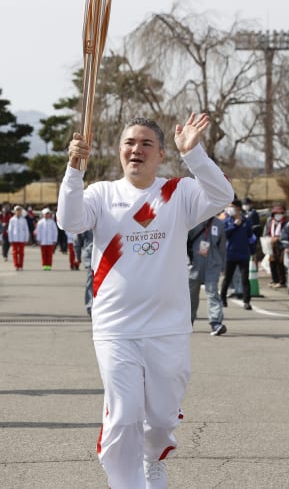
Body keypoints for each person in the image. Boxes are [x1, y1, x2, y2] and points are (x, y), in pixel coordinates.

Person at [58, 114, 234, 489]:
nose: (135, 150)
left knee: (161, 418)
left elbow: (222, 195)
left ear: (161, 153)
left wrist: (195, 154)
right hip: (116, 327)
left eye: (145, 144)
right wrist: (74, 169)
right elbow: (69, 221)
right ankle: (126, 483)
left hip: (167, 328)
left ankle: (153, 459)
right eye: (129, 143)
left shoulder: (178, 193)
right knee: (122, 417)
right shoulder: (101, 194)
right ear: (120, 151)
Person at [188, 216, 227, 335]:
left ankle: (216, 323)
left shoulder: (218, 224)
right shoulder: (192, 221)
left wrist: (223, 266)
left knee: (212, 293)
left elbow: (222, 247)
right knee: (190, 296)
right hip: (193, 265)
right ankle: (188, 321)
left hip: (212, 265)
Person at [220, 199, 254, 311]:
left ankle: (247, 301)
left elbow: (251, 237)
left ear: (238, 208)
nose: (229, 208)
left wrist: (253, 252)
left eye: (232, 206)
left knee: (245, 279)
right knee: (227, 278)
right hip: (230, 254)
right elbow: (224, 235)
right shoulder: (226, 220)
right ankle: (222, 300)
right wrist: (234, 225)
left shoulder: (246, 221)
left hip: (244, 254)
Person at [266, 205, 287, 288]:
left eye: (280, 213)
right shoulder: (270, 222)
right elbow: (267, 232)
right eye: (276, 213)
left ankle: (281, 281)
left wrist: (278, 238)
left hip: (281, 246)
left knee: (280, 264)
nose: (278, 215)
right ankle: (275, 280)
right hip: (271, 245)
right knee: (272, 263)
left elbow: (287, 234)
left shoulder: (285, 223)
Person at [7, 205, 29, 271]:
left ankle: (21, 265)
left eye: (19, 210)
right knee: (15, 253)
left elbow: (26, 230)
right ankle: (16, 265)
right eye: (17, 210)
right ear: (15, 211)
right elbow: (10, 230)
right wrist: (10, 239)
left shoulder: (24, 220)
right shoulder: (12, 219)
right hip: (14, 238)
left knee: (21, 253)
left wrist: (26, 238)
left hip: (22, 239)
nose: (18, 212)